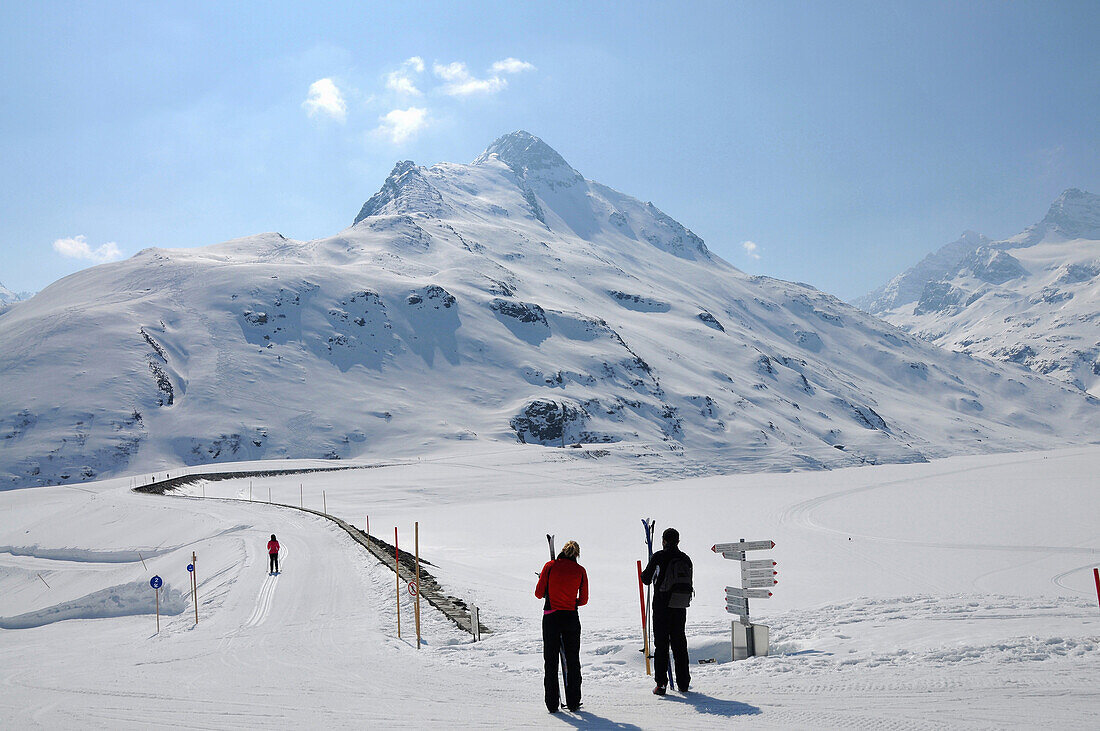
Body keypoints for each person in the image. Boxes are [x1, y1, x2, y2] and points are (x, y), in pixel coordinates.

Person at [534, 540, 588, 713]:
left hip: (551, 617)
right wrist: (573, 602)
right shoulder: (580, 571)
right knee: (572, 659)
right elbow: (584, 599)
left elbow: (538, 593)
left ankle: (552, 703)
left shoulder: (550, 566)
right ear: (577, 554)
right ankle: (573, 701)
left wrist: (550, 591)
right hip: (571, 617)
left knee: (550, 661)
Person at [641, 527, 692, 695]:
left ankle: (661, 684)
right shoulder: (685, 558)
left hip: (662, 607)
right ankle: (684, 683)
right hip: (680, 606)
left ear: (663, 540)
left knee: (661, 645)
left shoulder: (659, 556)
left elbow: (646, 579)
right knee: (679, 644)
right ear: (678, 541)